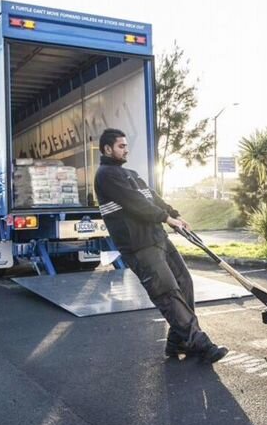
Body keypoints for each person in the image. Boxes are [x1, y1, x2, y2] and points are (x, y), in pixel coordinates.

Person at [94, 128, 228, 363]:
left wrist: (174, 215)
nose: (126, 150)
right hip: (139, 245)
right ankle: (200, 344)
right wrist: (165, 219)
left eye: (126, 145)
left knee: (184, 282)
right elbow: (136, 204)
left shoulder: (132, 174)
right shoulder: (105, 175)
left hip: (158, 239)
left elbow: (152, 198)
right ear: (107, 149)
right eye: (121, 146)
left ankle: (177, 342)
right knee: (167, 292)